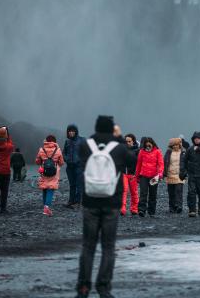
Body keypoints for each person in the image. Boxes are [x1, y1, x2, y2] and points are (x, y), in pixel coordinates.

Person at [75, 115, 127, 298]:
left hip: (90, 201)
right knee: (108, 247)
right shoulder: (119, 148)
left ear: (96, 127)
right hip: (112, 203)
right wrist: (119, 138)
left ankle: (83, 287)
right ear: (113, 128)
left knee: (88, 246)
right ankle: (104, 288)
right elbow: (133, 163)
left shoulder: (85, 145)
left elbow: (81, 164)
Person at [135, 137, 164, 218]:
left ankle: (151, 211)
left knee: (153, 194)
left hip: (154, 176)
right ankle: (141, 210)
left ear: (152, 144)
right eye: (146, 144)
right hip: (143, 175)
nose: (148, 145)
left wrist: (160, 174)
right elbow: (139, 165)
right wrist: (137, 176)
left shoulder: (157, 152)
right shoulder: (141, 152)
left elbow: (161, 164)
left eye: (149, 144)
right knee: (143, 193)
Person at [35, 135, 64, 216]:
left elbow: (37, 161)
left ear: (46, 141)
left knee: (44, 188)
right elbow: (61, 162)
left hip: (43, 171)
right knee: (50, 188)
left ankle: (45, 207)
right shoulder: (58, 150)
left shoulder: (41, 150)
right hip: (54, 173)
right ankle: (46, 207)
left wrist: (43, 161)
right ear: (54, 141)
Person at [64, 124, 85, 209]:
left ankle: (77, 202)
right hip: (69, 167)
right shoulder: (67, 142)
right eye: (69, 131)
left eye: (73, 131)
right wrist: (66, 159)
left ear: (76, 132)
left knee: (79, 185)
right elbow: (64, 153)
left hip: (79, 167)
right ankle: (71, 201)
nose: (71, 132)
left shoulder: (82, 140)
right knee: (72, 185)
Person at [164, 138, 186, 214]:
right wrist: (164, 173)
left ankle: (179, 206)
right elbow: (165, 162)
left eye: (177, 144)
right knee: (171, 192)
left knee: (179, 191)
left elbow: (186, 162)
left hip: (180, 174)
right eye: (174, 145)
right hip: (170, 174)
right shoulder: (168, 152)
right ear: (171, 145)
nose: (176, 146)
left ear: (179, 145)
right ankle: (172, 207)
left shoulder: (183, 152)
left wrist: (185, 172)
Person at [121, 133, 139, 216]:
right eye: (126, 141)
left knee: (133, 191)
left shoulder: (138, 151)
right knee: (123, 190)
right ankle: (122, 209)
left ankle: (134, 209)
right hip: (123, 173)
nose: (127, 143)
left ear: (133, 141)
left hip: (133, 174)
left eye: (129, 141)